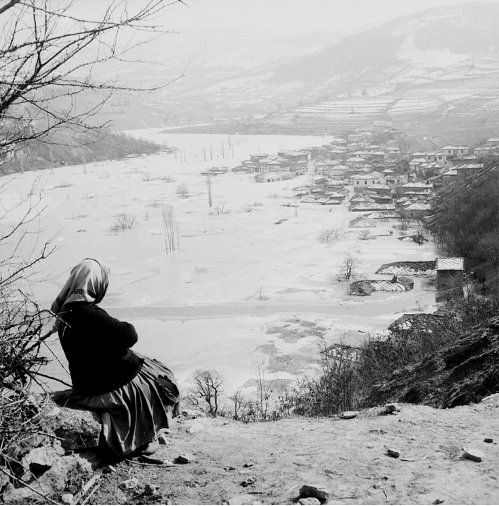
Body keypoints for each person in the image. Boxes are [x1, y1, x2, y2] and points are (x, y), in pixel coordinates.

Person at [51, 258, 180, 457]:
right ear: (95, 283)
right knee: (159, 378)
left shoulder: (66, 313)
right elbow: (129, 335)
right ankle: (142, 439)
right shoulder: (87, 313)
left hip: (88, 383)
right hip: (106, 387)